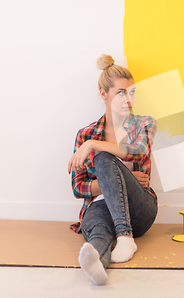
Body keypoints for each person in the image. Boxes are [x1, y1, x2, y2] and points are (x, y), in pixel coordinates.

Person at [67, 54, 158, 285]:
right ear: (103, 94)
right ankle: (95, 263)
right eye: (121, 92)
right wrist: (118, 180)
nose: (128, 99)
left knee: (104, 158)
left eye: (132, 92)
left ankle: (126, 237)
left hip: (140, 209)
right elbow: (78, 188)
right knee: (98, 230)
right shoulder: (85, 134)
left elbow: (138, 151)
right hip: (100, 207)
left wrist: (93, 146)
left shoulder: (144, 124)